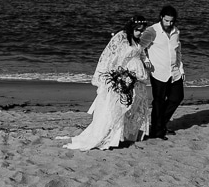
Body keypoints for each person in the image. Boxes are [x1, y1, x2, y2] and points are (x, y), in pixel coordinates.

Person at [63, 15, 152, 151]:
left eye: (142, 30)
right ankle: (112, 137)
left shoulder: (137, 41)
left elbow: (141, 53)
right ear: (131, 28)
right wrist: (119, 77)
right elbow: (113, 57)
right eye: (138, 30)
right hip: (125, 77)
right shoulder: (121, 38)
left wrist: (146, 61)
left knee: (132, 107)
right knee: (120, 107)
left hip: (137, 79)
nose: (140, 32)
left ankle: (125, 136)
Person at [141, 5, 183, 140]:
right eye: (166, 21)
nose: (169, 24)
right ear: (161, 18)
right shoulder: (152, 31)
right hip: (158, 72)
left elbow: (178, 51)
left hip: (175, 72)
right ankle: (157, 131)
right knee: (158, 102)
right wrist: (146, 60)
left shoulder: (176, 31)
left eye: (171, 21)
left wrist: (181, 68)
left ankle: (160, 124)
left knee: (177, 98)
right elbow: (139, 47)